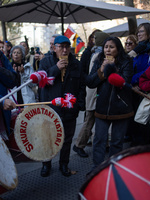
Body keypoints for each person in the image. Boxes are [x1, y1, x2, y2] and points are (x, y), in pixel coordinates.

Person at [38, 35, 86, 177]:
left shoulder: (76, 64)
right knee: (48, 138)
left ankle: (64, 164)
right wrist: (55, 69)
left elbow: (82, 85)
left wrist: (79, 104)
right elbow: (41, 82)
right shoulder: (46, 62)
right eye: (61, 47)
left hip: (70, 110)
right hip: (51, 110)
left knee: (67, 139)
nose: (65, 50)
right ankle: (46, 164)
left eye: (67, 47)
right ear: (54, 48)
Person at [85, 37, 134, 170]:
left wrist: (112, 70)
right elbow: (90, 82)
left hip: (121, 107)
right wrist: (101, 69)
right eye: (106, 46)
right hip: (103, 106)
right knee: (99, 140)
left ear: (118, 49)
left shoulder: (127, 61)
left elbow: (125, 82)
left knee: (117, 142)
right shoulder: (99, 60)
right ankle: (97, 169)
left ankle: (114, 169)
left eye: (111, 47)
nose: (108, 49)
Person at [72, 30, 109, 158]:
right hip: (93, 92)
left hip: (93, 91)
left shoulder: (94, 52)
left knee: (94, 119)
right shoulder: (97, 55)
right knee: (90, 120)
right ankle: (79, 145)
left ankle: (100, 144)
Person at [127, 23, 150, 146]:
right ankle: (135, 142)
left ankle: (142, 146)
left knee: (142, 119)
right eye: (138, 32)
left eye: (141, 31)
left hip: (145, 88)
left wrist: (134, 80)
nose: (138, 34)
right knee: (135, 118)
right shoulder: (139, 48)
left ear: (149, 33)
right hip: (135, 88)